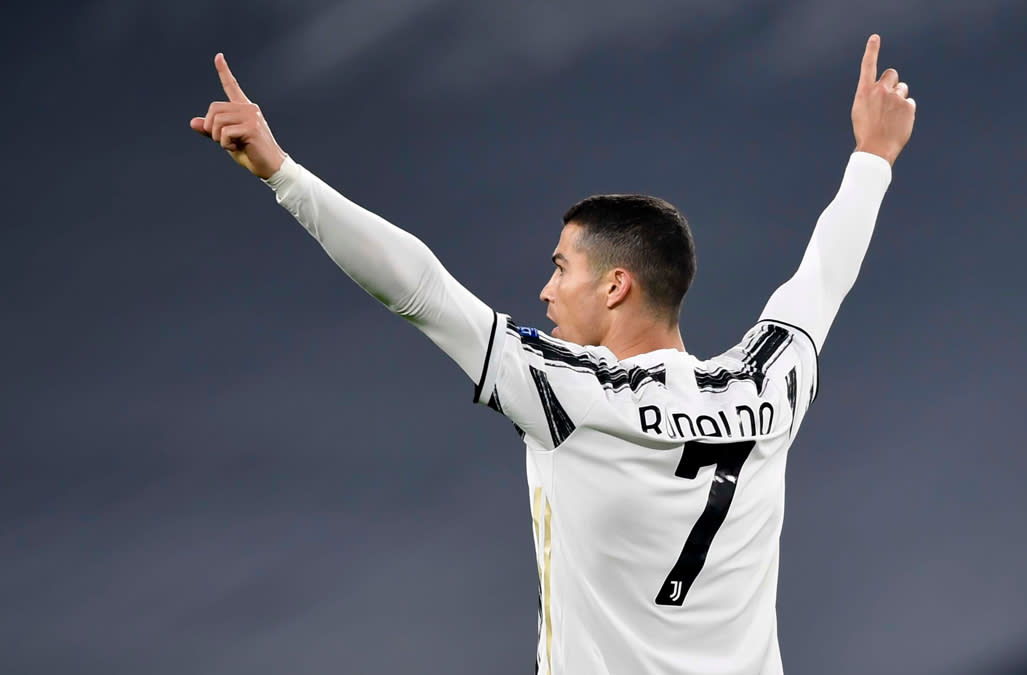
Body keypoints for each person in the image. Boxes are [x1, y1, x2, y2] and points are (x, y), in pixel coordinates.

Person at [190, 33, 915, 675]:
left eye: (562, 267)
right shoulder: (763, 389)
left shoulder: (571, 394)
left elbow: (420, 289)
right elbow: (823, 277)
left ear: (616, 285)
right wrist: (873, 156)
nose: (545, 289)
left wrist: (282, 172)